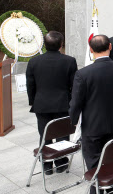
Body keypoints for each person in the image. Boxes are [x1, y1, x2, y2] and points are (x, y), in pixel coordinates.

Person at [69, 35, 113, 194]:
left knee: (94, 161)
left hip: (92, 124)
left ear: (91, 50)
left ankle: (97, 190)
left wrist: (74, 120)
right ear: (110, 46)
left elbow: (76, 102)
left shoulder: (83, 74)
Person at [26, 31, 78, 174]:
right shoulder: (69, 61)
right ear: (61, 44)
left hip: (41, 104)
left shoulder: (34, 61)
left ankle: (47, 165)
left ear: (44, 44)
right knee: (62, 134)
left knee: (44, 135)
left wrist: (33, 101)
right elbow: (74, 85)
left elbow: (30, 84)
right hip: (62, 103)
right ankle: (61, 163)